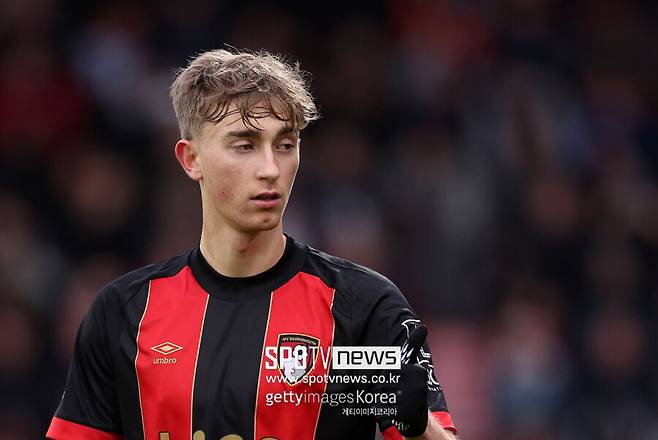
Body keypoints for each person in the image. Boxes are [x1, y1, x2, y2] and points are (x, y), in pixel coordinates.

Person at [46, 49, 457, 440]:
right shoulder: (124, 312)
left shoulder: (360, 307)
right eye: (245, 145)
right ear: (192, 159)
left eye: (285, 145)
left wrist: (414, 422)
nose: (270, 168)